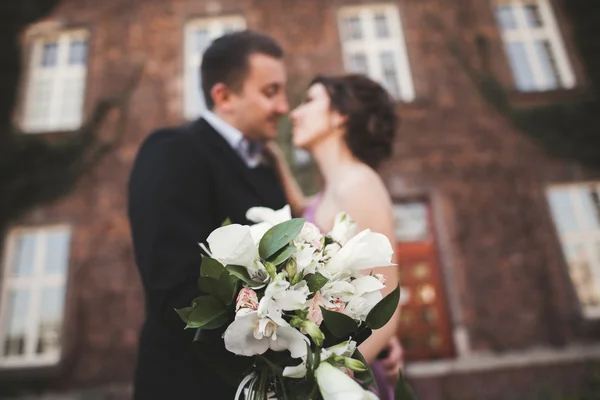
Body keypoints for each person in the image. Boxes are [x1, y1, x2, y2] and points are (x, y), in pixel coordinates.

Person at [127, 30, 289, 399]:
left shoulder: (264, 169)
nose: (283, 106)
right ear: (223, 96)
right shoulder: (173, 151)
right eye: (270, 92)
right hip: (192, 383)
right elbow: (174, 287)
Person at [264, 74, 404, 399]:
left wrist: (323, 382)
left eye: (309, 101)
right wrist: (274, 156)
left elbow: (389, 306)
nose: (294, 113)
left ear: (340, 115)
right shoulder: (331, 190)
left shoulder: (359, 184)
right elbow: (304, 210)